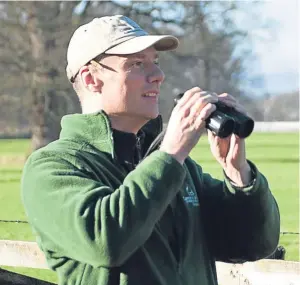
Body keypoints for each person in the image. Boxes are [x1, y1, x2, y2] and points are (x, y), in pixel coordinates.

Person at [21, 15, 280, 285]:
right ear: (90, 79)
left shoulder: (179, 168)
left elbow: (252, 244)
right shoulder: (53, 167)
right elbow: (106, 241)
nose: (158, 75)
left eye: (155, 62)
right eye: (136, 64)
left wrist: (238, 174)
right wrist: (170, 155)